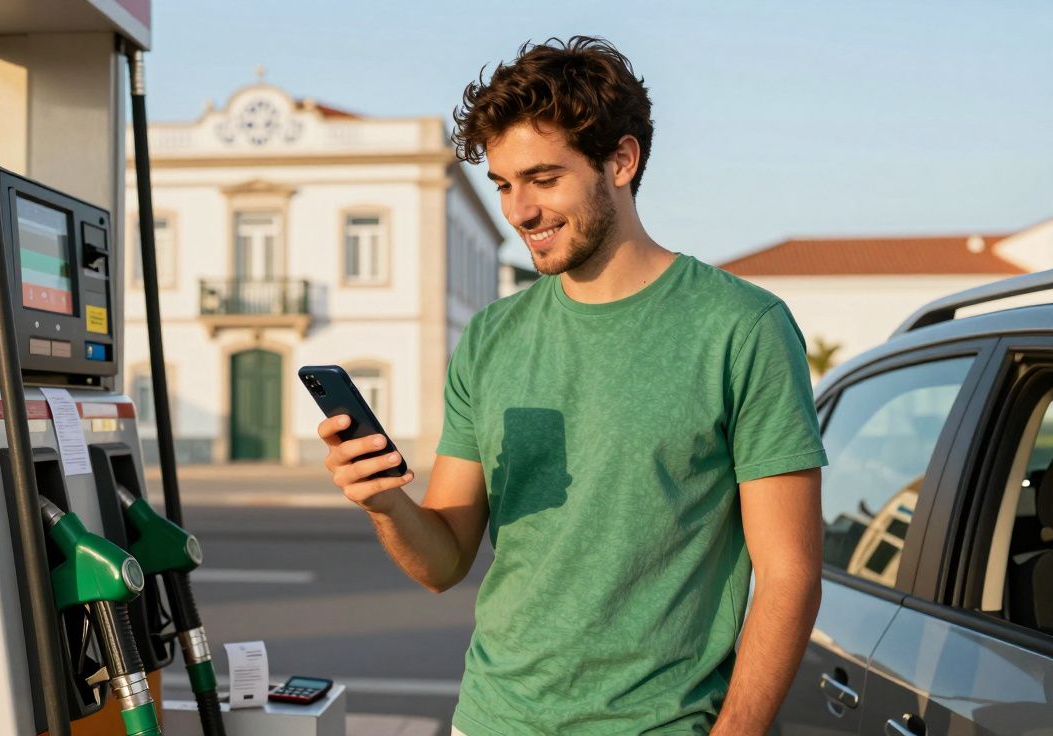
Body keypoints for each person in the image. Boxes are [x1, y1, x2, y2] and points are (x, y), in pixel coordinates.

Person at [317, 36, 825, 735]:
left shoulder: (742, 328)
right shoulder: (492, 338)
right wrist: (382, 502)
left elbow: (789, 574)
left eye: (544, 179)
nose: (519, 211)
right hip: (491, 719)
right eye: (503, 184)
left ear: (621, 160)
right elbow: (442, 561)